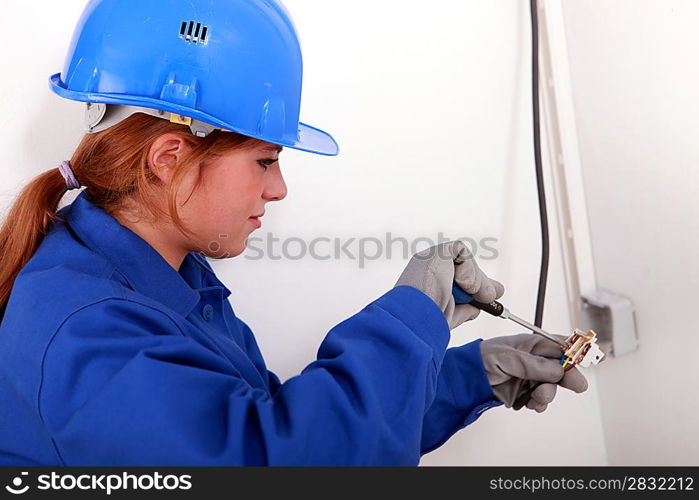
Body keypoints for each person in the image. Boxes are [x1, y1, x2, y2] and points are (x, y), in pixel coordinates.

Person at [0, 0, 587, 466]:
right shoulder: (92, 329)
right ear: (168, 157)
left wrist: (468, 374)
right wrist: (413, 319)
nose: (278, 189)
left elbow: (268, 431)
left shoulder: (165, 279)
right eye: (265, 161)